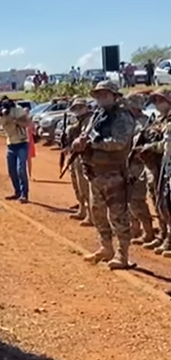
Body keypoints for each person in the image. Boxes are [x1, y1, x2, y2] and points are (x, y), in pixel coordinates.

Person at [73, 80, 136, 269]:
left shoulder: (122, 116)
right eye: (98, 95)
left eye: (105, 94)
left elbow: (119, 142)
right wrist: (79, 142)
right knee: (97, 212)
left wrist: (93, 144)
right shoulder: (97, 115)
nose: (101, 98)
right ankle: (106, 247)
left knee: (118, 216)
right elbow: (86, 135)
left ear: (115, 96)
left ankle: (122, 255)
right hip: (95, 172)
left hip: (114, 173)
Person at [134, 90, 171, 254]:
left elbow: (166, 145)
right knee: (158, 201)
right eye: (155, 100)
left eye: (160, 100)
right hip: (154, 166)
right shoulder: (157, 120)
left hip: (166, 166)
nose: (157, 103)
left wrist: (149, 147)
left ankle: (169, 239)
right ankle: (163, 234)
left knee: (167, 203)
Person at [125, 93, 155, 245]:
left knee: (137, 199)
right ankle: (135, 228)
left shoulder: (144, 123)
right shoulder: (127, 120)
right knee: (128, 199)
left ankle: (148, 231)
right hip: (127, 164)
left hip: (138, 165)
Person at [0, 96, 31, 203]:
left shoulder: (17, 110)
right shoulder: (0, 114)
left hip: (22, 143)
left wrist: (14, 120)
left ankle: (24, 194)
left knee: (20, 169)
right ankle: (17, 192)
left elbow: (27, 123)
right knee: (12, 170)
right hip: (11, 144)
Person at [66, 98, 94, 225]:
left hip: (85, 156)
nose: (78, 110)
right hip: (75, 155)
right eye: (76, 107)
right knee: (77, 184)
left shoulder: (89, 120)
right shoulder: (77, 120)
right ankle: (82, 209)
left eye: (80, 107)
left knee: (84, 185)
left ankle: (90, 215)